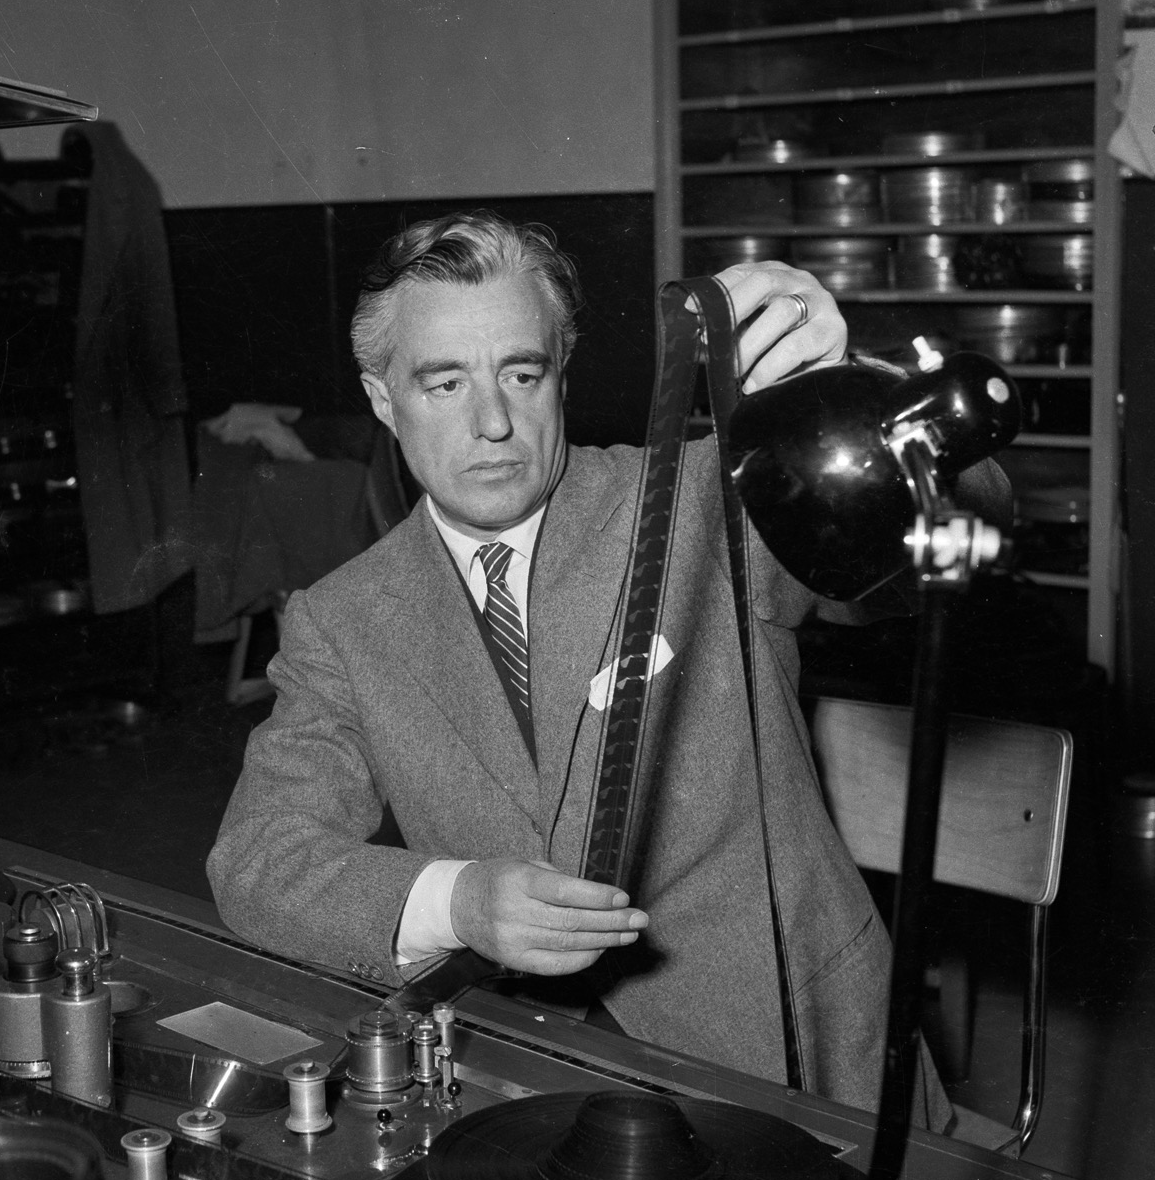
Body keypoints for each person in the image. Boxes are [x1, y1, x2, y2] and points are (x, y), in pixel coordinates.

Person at [207, 212, 1003, 1118]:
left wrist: (849, 389)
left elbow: (961, 528)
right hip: (523, 1089)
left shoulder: (706, 502)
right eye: (445, 383)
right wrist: (460, 901)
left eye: (522, 373)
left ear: (562, 375)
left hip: (794, 1063)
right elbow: (258, 860)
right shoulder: (342, 619)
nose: (494, 422)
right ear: (384, 399)